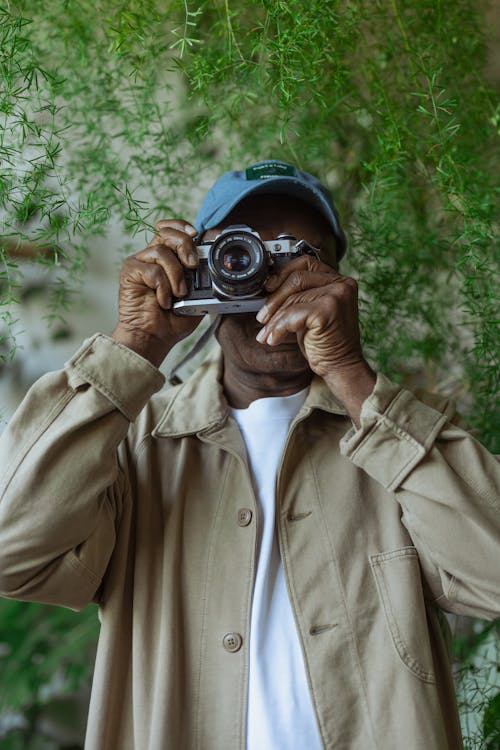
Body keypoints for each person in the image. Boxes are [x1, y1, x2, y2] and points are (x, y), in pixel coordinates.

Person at [0, 160, 498, 750]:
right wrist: (134, 345)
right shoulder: (134, 445)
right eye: (240, 254)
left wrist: (350, 375)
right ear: (195, 274)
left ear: (335, 282)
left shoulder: (403, 438)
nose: (265, 276)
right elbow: (12, 552)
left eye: (294, 257)